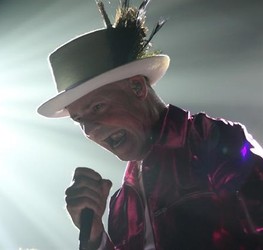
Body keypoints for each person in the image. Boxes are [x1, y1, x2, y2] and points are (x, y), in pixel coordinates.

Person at [37, 0, 263, 249]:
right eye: (80, 120)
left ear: (137, 87)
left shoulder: (213, 140)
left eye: (97, 107)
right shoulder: (121, 205)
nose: (90, 130)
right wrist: (94, 239)